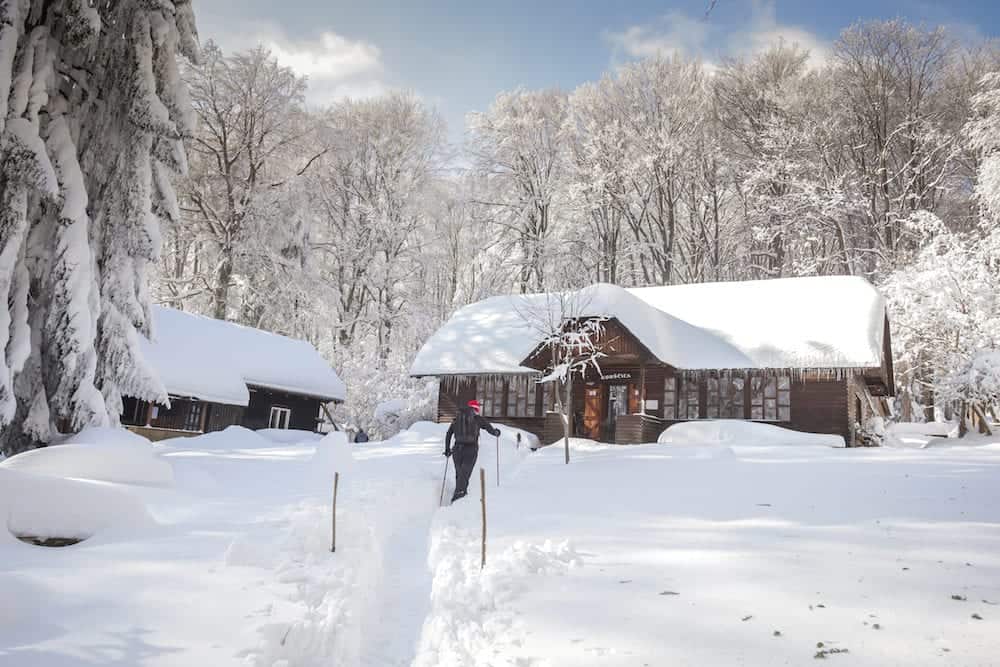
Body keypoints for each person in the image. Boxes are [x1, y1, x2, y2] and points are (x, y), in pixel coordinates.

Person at [444, 399, 500, 502]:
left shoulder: (457, 418)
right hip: (471, 449)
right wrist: (496, 432)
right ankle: (459, 496)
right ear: (476, 408)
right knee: (465, 474)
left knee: (460, 473)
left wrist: (447, 449)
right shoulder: (477, 419)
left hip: (457, 449)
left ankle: (460, 495)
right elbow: (490, 429)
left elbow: (448, 434)